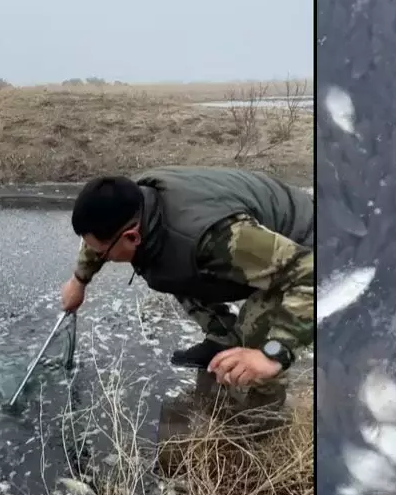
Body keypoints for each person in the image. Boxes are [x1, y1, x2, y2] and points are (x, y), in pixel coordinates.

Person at [60, 166, 314, 407]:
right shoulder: (133, 202)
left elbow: (310, 271)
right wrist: (79, 280)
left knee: (253, 343)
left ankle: (264, 413)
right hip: (262, 245)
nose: (97, 254)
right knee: (169, 268)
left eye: (102, 253)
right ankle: (223, 336)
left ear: (132, 237)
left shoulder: (219, 239)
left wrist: (273, 354)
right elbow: (102, 239)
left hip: (309, 244)